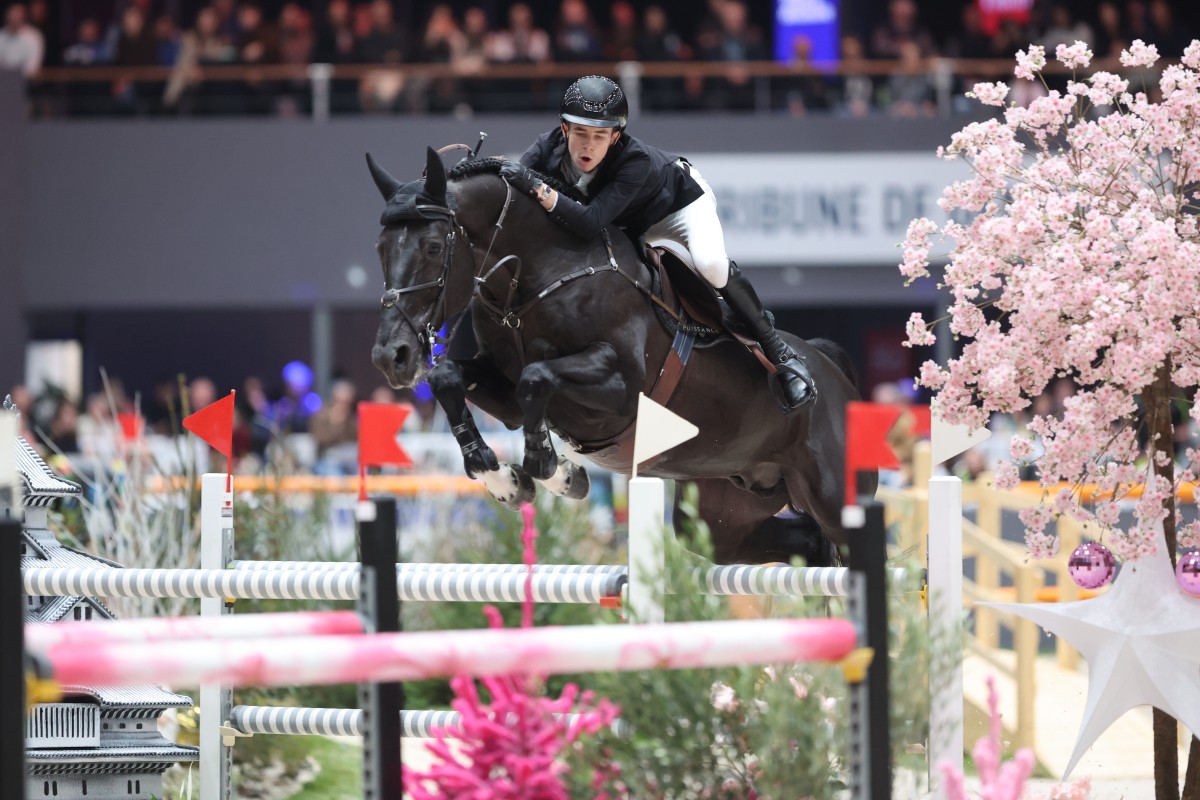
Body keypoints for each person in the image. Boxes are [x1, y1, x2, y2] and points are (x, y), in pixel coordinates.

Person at [498, 75, 815, 411]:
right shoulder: (546, 147)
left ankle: (779, 351)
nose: (588, 145)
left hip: (679, 207)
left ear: (615, 136)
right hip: (629, 224)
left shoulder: (635, 161)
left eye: (599, 136)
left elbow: (588, 222)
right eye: (580, 133)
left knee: (710, 264)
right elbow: (511, 186)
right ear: (564, 129)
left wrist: (539, 188)